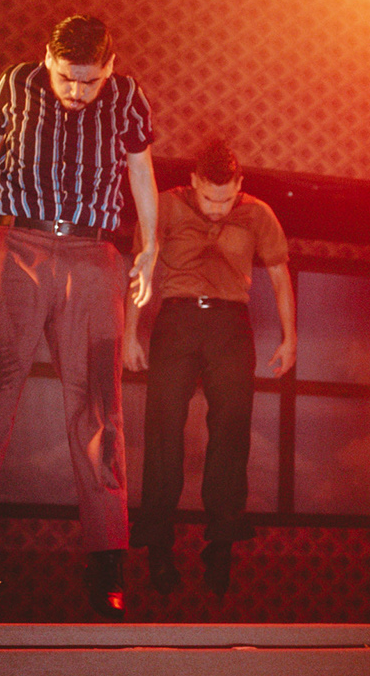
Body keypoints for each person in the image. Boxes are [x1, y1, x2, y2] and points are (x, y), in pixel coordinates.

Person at [0, 15, 157, 620]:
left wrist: (151, 247)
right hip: (16, 240)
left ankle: (107, 556)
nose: (77, 92)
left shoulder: (127, 97)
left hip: (93, 251)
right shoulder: (16, 83)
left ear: (109, 68)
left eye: (90, 81)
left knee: (99, 407)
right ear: (47, 61)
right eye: (66, 78)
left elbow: (141, 171)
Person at [123, 136, 296, 597]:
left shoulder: (258, 213)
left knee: (231, 434)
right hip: (177, 319)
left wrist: (290, 337)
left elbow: (280, 277)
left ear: (239, 185)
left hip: (230, 325)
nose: (217, 209)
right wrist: (130, 334)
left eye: (225, 199)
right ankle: (158, 546)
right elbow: (140, 270)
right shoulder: (165, 205)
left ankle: (221, 544)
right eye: (208, 198)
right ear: (194, 182)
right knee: (163, 431)